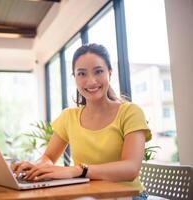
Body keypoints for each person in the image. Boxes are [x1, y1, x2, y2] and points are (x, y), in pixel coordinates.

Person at [11, 43, 151, 200]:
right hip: (88, 195)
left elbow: (131, 168)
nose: (91, 81)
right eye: (82, 74)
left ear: (109, 73)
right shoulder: (68, 116)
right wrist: (36, 168)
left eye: (98, 71)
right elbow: (49, 157)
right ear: (74, 78)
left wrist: (78, 170)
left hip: (127, 196)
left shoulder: (130, 112)